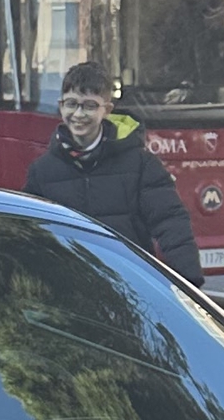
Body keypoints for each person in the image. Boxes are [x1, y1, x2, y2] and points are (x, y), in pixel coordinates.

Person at [23, 62, 203, 283]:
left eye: (89, 106)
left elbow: (170, 223)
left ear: (106, 111)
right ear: (61, 106)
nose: (78, 114)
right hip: (70, 291)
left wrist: (189, 283)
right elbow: (33, 237)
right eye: (72, 104)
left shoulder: (141, 165)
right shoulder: (42, 172)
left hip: (131, 287)